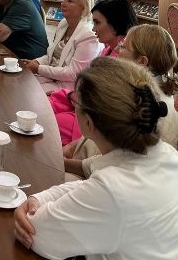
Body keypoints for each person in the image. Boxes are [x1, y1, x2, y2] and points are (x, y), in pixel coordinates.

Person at [14, 57, 178, 260]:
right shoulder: (165, 156)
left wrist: (29, 208)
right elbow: (90, 187)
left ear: (88, 123)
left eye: (76, 103)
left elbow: (38, 235)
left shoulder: (115, 191)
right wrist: (39, 198)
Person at [64, 24, 178, 179]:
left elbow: (116, 165)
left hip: (98, 180)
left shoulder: (143, 106)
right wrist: (75, 147)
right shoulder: (145, 95)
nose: (117, 49)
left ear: (142, 61)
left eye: (124, 46)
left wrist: (70, 164)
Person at [49, 0, 138, 145]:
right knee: (46, 105)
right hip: (83, 104)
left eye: (97, 22)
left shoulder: (125, 56)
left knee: (50, 123)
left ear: (114, 24)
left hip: (98, 117)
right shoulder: (108, 49)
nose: (93, 28)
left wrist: (75, 96)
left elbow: (104, 100)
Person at [22, 0, 101, 94]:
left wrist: (38, 68)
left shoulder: (88, 35)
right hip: (51, 78)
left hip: (69, 87)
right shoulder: (63, 23)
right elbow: (52, 57)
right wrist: (36, 62)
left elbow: (74, 74)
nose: (63, 3)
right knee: (18, 81)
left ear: (84, 7)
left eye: (69, 1)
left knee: (26, 92)